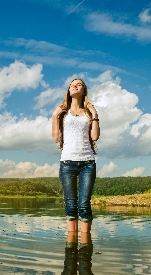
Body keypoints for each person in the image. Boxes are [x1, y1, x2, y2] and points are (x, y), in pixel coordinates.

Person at [52, 78, 99, 233]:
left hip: (88, 163)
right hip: (67, 162)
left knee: (84, 205)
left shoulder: (88, 112)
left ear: (83, 90)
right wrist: (54, 116)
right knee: (71, 204)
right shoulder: (62, 113)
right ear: (69, 91)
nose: (74, 86)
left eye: (78, 84)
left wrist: (94, 114)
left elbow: (95, 137)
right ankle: (71, 246)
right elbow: (56, 138)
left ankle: (86, 246)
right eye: (72, 85)